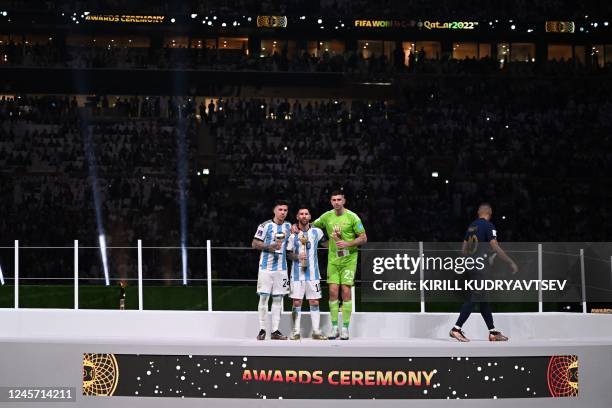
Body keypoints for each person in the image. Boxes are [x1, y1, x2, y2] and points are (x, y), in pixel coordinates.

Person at [449, 203, 518, 342]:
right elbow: (494, 245)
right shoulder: (489, 226)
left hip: (472, 265)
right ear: (490, 213)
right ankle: (456, 329)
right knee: (475, 296)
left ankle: (492, 333)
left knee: (484, 300)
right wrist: (510, 261)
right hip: (481, 268)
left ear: (478, 212)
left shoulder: (471, 227)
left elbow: (463, 250)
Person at [312, 191, 367, 340]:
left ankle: (345, 329)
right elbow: (311, 225)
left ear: (344, 201)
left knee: (346, 291)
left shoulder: (353, 217)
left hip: (349, 260)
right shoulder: (326, 216)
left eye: (339, 200)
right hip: (333, 260)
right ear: (331, 202)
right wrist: (297, 227)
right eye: (334, 200)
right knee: (333, 292)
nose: (336, 202)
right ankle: (335, 327)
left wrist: (348, 243)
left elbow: (363, 238)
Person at [251, 200, 291, 340]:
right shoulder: (265, 226)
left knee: (278, 299)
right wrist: (269, 247)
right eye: (280, 209)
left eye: (285, 210)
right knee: (263, 298)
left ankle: (275, 331)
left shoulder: (289, 226)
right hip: (266, 268)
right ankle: (262, 329)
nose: (283, 212)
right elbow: (254, 243)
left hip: (282, 269)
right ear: (274, 211)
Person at [286, 207, 327, 340]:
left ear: (310, 217)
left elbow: (326, 243)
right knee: (297, 302)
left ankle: (316, 331)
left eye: (306, 214)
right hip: (297, 274)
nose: (304, 216)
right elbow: (288, 253)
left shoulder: (317, 232)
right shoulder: (292, 234)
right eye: (301, 214)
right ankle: (296, 331)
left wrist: (338, 240)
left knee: (314, 302)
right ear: (297, 217)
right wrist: (297, 257)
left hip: (313, 274)